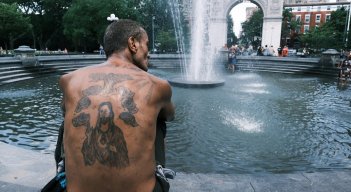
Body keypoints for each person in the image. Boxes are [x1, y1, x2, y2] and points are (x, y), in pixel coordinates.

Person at [59, 19, 175, 192]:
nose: (148, 53)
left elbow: (66, 112)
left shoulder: (70, 80)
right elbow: (170, 115)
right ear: (133, 43)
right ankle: (158, 168)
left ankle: (63, 167)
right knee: (159, 119)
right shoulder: (158, 86)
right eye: (146, 45)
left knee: (67, 117)